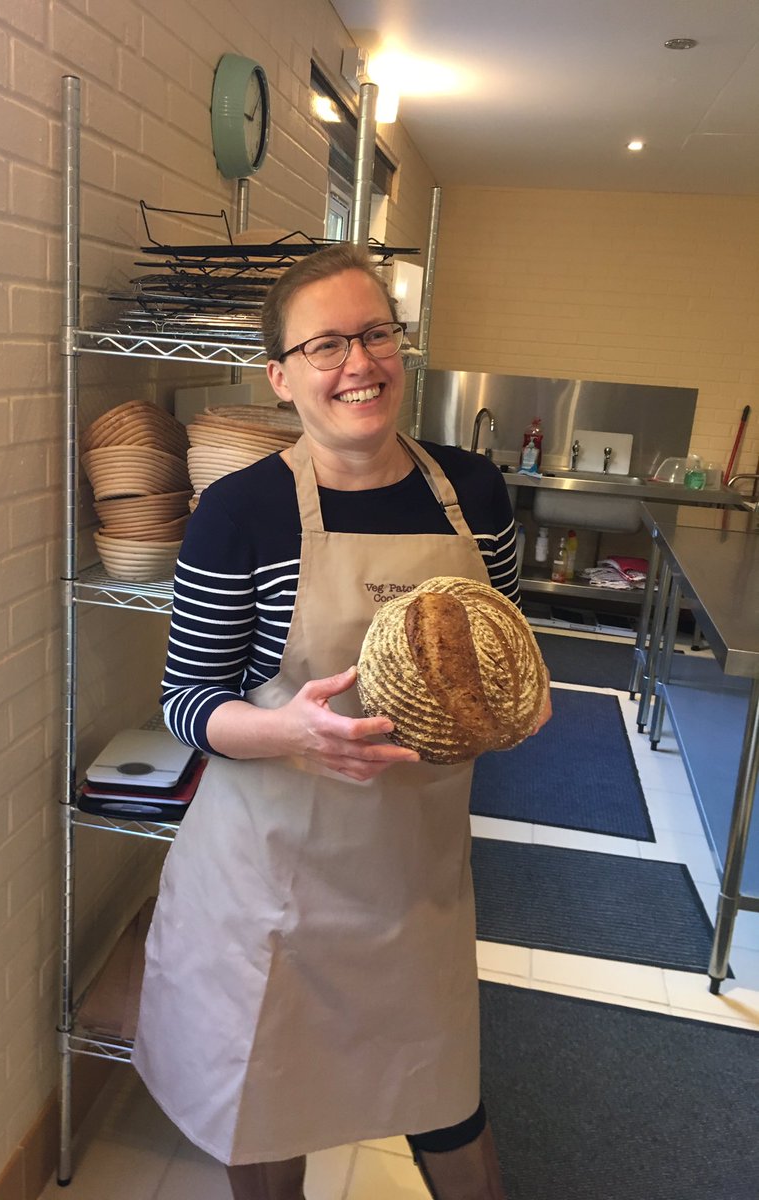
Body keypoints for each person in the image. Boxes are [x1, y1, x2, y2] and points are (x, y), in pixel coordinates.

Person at [133, 243, 549, 1200]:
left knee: (446, 1099)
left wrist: (517, 698)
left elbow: (498, 642)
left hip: (414, 876)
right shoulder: (239, 511)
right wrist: (293, 734)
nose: (357, 363)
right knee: (268, 1102)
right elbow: (188, 701)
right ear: (280, 377)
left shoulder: (474, 491)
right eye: (325, 345)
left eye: (375, 334)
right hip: (276, 879)